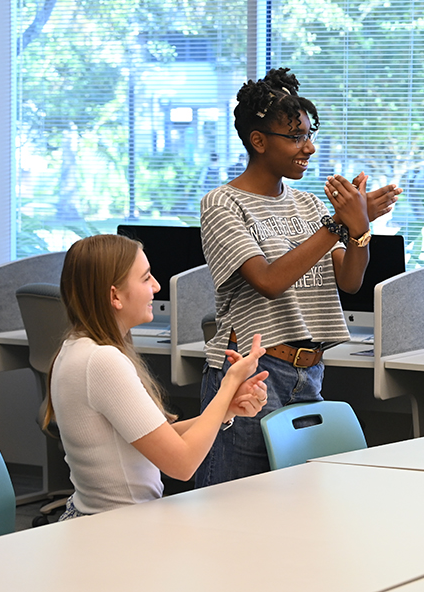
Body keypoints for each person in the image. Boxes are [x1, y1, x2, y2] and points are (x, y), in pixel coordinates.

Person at [195, 67, 402, 487]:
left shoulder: (308, 206)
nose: (308, 147)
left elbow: (349, 280)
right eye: (295, 137)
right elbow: (268, 281)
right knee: (232, 505)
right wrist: (338, 226)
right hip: (251, 374)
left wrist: (360, 228)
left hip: (309, 372)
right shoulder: (223, 204)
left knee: (295, 507)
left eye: (309, 135)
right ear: (258, 141)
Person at [45, 234, 269, 518]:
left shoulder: (77, 349)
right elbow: (183, 463)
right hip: (117, 529)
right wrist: (230, 383)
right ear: (114, 296)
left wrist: (225, 409)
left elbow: (154, 439)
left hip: (101, 520)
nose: (156, 286)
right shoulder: (102, 361)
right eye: (146, 278)